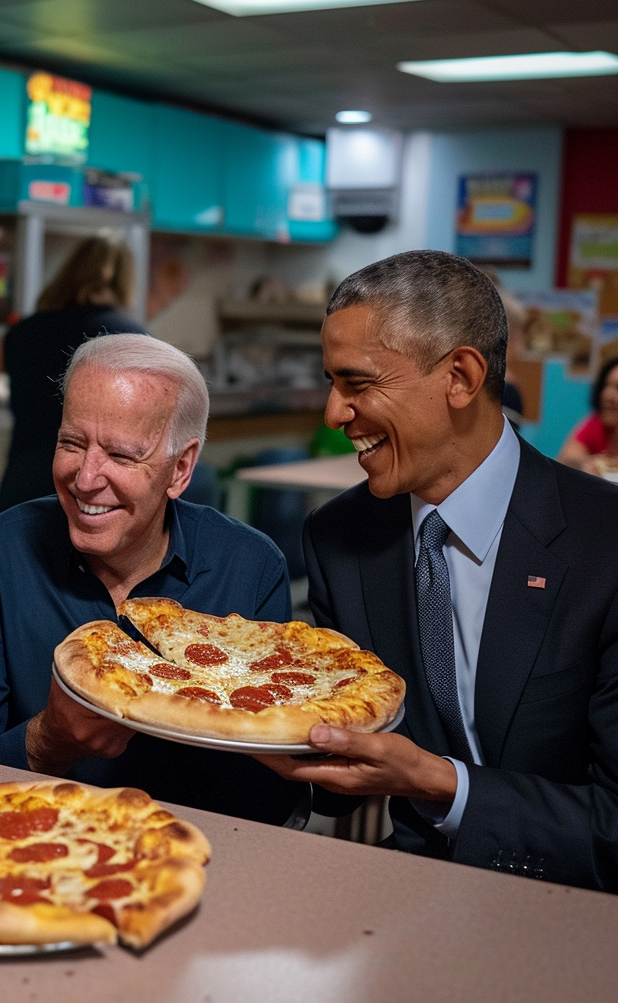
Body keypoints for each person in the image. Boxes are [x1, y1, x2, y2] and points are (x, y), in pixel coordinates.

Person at [256, 249, 618, 892]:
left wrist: (438, 784)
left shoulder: (604, 543)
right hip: (406, 892)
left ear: (460, 376)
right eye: (331, 383)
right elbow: (340, 788)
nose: (333, 414)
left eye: (358, 383)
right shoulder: (339, 536)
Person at [0, 333, 331, 827]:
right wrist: (48, 741)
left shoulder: (248, 566)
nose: (86, 478)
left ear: (181, 469)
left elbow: (264, 796)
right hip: (29, 847)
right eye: (72, 443)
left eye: (120, 456)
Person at [0, 236, 143, 514]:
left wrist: (15, 396)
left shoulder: (27, 330)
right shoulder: (129, 337)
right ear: (125, 280)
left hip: (22, 482)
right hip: (89, 488)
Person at [557, 355, 618, 476]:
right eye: (606, 386)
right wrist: (588, 463)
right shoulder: (596, 425)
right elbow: (565, 460)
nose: (607, 395)